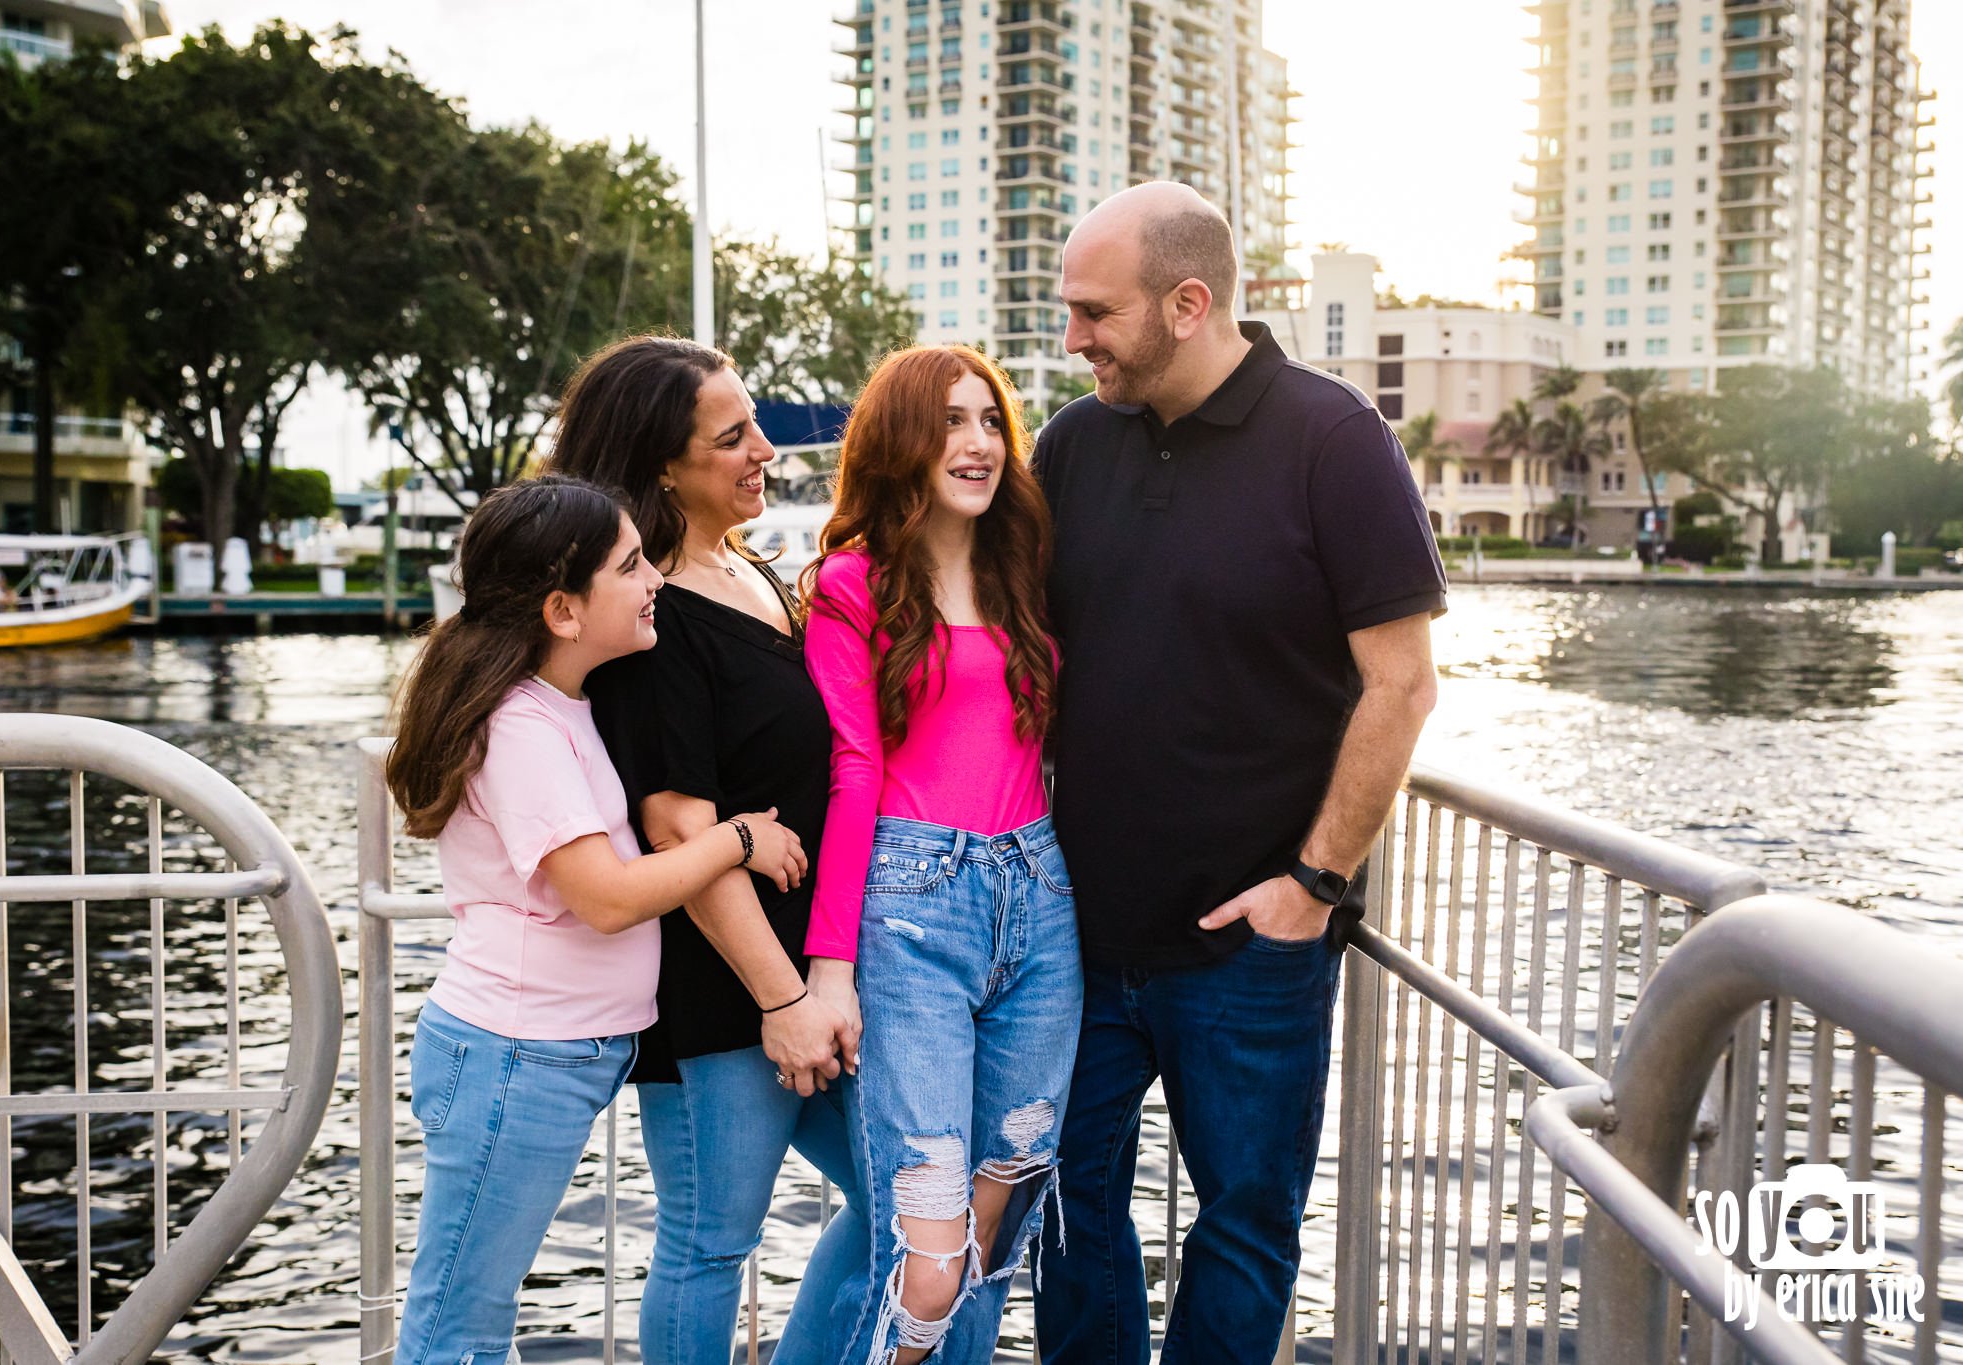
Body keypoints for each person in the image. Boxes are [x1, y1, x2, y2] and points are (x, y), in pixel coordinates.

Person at [1029, 182, 1446, 1364]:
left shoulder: (1333, 439)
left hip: (1250, 945)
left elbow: (1401, 685)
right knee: (1063, 1205)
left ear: (1187, 302)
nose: (1073, 339)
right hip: (1080, 936)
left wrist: (1309, 886)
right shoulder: (1069, 444)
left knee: (1246, 1228)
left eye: (1093, 312)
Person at [383, 475, 806, 1365]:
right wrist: (736, 837)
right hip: (513, 1052)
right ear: (564, 611)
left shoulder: (562, 705)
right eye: (631, 564)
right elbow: (607, 897)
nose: (656, 576)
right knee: (459, 1323)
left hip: (553, 1051)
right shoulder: (519, 726)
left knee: (471, 1314)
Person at [558, 337, 863, 1365]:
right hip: (728, 993)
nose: (764, 449)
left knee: (907, 1202)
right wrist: (783, 1001)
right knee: (708, 1244)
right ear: (660, 465)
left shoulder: (754, 572)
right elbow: (678, 828)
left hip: (806, 982)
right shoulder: (650, 619)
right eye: (732, 436)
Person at [801, 344, 1079, 1365]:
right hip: (909, 908)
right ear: (900, 448)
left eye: (987, 421)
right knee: (926, 1256)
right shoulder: (850, 585)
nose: (975, 444)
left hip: (1041, 903)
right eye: (948, 424)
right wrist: (831, 968)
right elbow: (850, 770)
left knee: (1000, 1214)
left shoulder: (1023, 577)